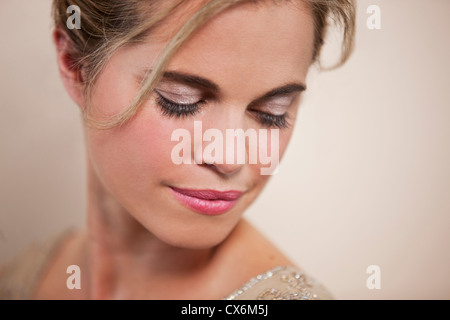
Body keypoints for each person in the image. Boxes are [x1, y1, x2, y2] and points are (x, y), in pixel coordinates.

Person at [0, 0, 355, 300]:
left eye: (272, 111)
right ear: (76, 67)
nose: (230, 159)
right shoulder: (26, 276)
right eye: (180, 101)